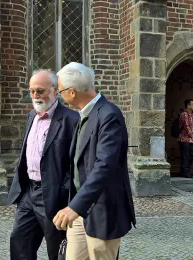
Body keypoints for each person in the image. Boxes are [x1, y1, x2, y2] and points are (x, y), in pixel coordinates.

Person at [53, 62, 136, 260]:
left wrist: (75, 206)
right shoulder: (83, 115)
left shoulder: (109, 115)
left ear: (71, 92)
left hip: (102, 210)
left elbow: (104, 166)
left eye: (60, 91)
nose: (59, 96)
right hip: (80, 209)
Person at [7, 70, 79, 260]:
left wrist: (62, 192)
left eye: (40, 91)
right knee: (20, 242)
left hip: (53, 195)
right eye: (32, 91)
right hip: (28, 192)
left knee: (56, 249)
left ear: (55, 90)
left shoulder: (71, 120)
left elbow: (75, 164)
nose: (35, 96)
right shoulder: (32, 116)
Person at [178, 99, 193, 178]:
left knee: (192, 155)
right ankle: (185, 172)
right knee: (186, 156)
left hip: (189, 139)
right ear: (188, 106)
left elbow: (191, 125)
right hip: (184, 138)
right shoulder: (184, 114)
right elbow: (186, 126)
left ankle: (184, 170)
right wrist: (192, 136)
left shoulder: (191, 114)